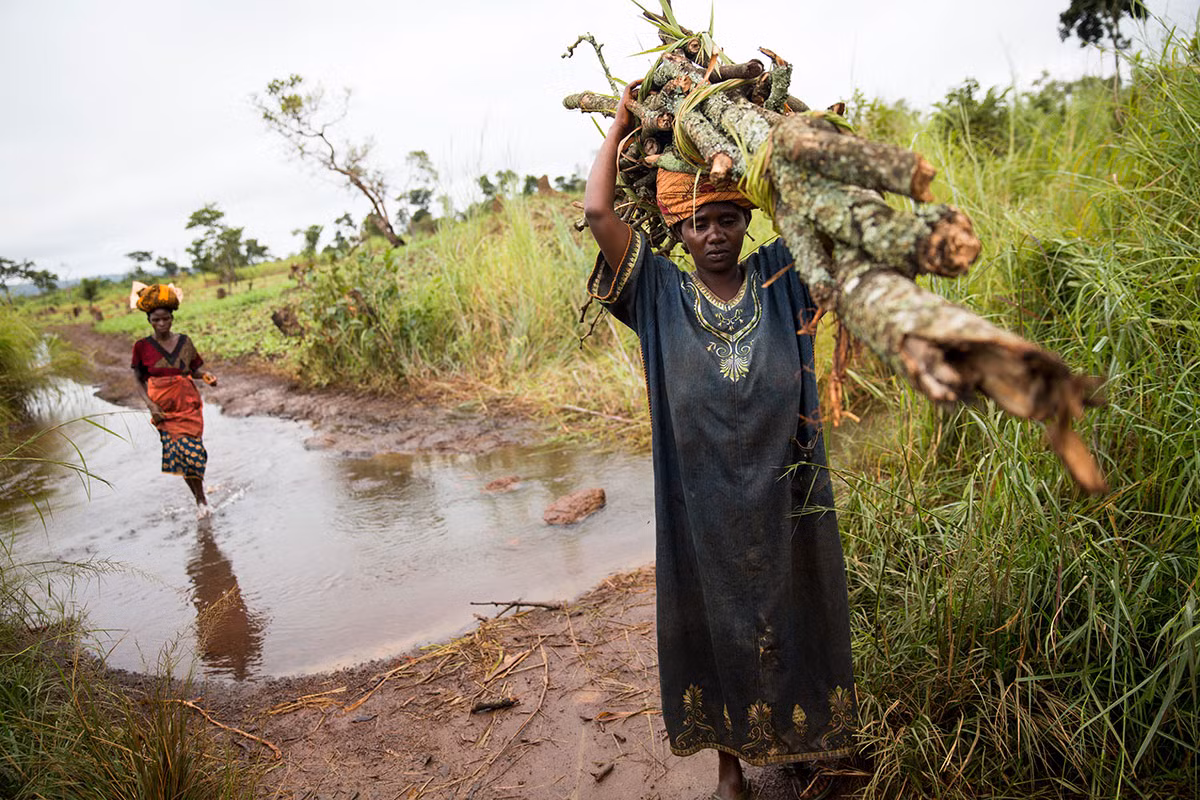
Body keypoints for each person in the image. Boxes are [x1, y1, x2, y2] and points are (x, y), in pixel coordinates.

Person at [583, 80, 857, 800]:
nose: (713, 233)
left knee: (800, 606)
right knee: (712, 622)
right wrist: (616, 129)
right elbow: (596, 211)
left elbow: (819, 213)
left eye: (728, 219)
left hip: (785, 487)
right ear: (676, 231)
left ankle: (811, 747)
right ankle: (729, 769)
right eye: (699, 222)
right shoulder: (659, 294)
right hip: (698, 501)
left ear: (747, 223)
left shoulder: (781, 278)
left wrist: (770, 141)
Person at [129, 283, 218, 520]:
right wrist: (150, 405)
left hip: (187, 405)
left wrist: (205, 376)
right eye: (156, 320)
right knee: (183, 455)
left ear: (172, 318)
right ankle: (201, 500)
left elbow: (194, 369)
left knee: (195, 453)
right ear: (149, 320)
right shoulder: (142, 347)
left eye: (165, 319)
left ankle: (201, 498)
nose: (161, 324)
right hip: (163, 411)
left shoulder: (185, 342)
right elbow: (138, 378)